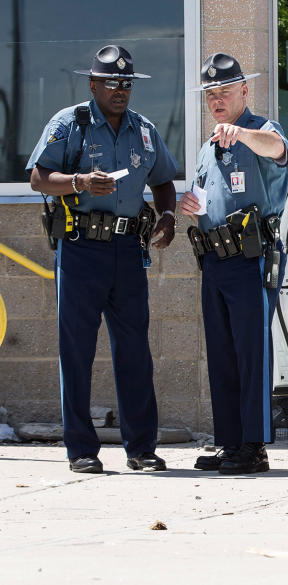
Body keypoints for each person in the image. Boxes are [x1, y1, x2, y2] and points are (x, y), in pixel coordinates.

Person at [26, 45, 177, 474]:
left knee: (134, 351)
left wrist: (166, 215)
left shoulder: (144, 130)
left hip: (128, 250)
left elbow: (164, 180)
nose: (120, 90)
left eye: (126, 84)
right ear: (93, 84)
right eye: (111, 82)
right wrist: (78, 182)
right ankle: (81, 450)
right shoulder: (70, 123)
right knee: (76, 350)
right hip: (80, 249)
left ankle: (141, 448)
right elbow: (38, 177)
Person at [179, 53, 288, 475]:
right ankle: (231, 442)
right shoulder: (209, 148)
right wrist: (192, 203)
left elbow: (277, 150)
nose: (217, 101)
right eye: (210, 95)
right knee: (222, 355)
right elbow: (204, 194)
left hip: (250, 258)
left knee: (251, 352)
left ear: (244, 91)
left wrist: (241, 133)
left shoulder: (260, 130)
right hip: (214, 258)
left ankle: (254, 447)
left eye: (224, 92)